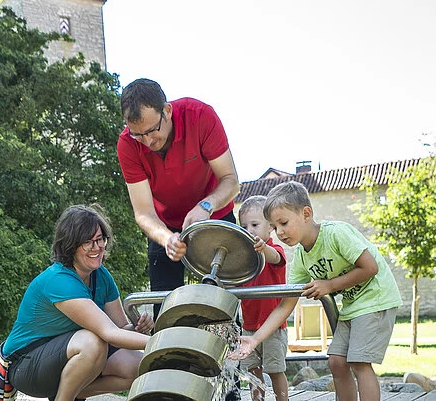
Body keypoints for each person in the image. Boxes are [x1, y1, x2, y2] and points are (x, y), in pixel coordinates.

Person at [116, 78, 241, 400]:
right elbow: (143, 212)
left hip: (214, 216)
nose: (146, 141)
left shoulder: (201, 116)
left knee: (222, 310)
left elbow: (230, 180)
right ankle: (168, 391)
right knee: (165, 310)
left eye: (152, 130)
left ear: (167, 111)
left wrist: (206, 206)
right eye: (137, 134)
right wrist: (166, 238)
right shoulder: (128, 144)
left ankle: (230, 391)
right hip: (165, 227)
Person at [229, 181, 402, 401]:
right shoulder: (302, 257)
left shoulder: (336, 233)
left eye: (283, 223)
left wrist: (329, 285)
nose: (279, 232)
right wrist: (255, 340)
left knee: (359, 362)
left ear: (306, 214)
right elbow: (286, 304)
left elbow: (370, 267)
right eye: (274, 227)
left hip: (376, 299)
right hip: (353, 306)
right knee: (337, 362)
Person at [0, 204, 154, 401]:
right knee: (93, 342)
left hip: (65, 356)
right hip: (26, 366)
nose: (97, 248)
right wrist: (163, 343)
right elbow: (109, 333)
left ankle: (69, 392)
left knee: (138, 366)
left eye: (100, 239)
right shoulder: (59, 280)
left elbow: (120, 328)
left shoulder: (101, 276)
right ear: (70, 245)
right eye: (87, 242)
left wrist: (138, 329)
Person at [237, 196, 288, 401]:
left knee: (275, 370)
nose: (249, 231)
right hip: (249, 325)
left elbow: (275, 259)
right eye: (244, 226)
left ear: (270, 228)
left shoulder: (275, 251)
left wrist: (262, 248)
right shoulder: (244, 259)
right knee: (252, 371)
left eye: (255, 225)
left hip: (273, 327)